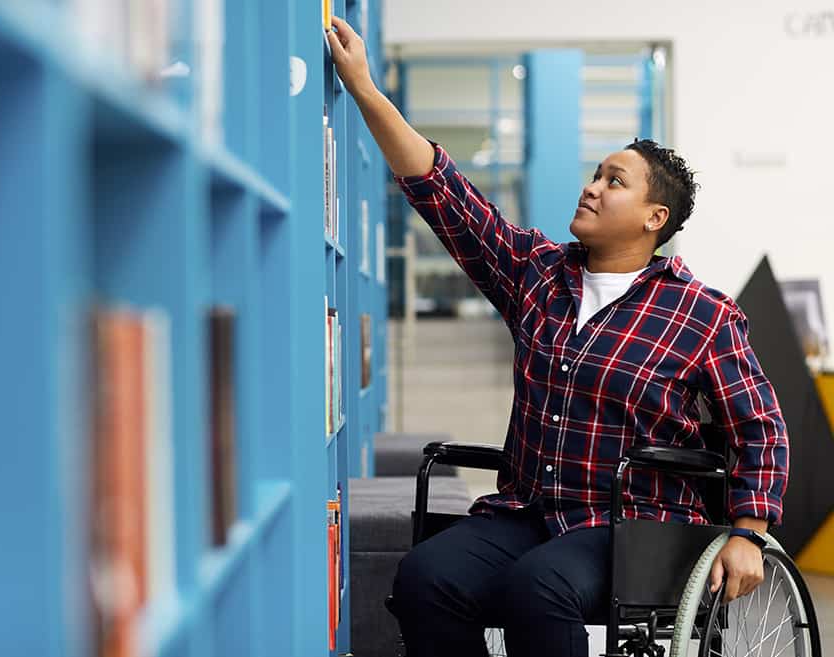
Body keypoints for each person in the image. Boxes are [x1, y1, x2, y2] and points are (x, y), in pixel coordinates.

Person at [328, 15, 791, 657]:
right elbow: (445, 195)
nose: (592, 186)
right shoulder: (538, 275)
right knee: (426, 578)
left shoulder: (701, 315)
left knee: (536, 589)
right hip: (528, 513)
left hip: (632, 529)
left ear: (655, 219)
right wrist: (364, 89)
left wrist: (749, 529)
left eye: (614, 181)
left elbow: (759, 426)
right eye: (596, 173)